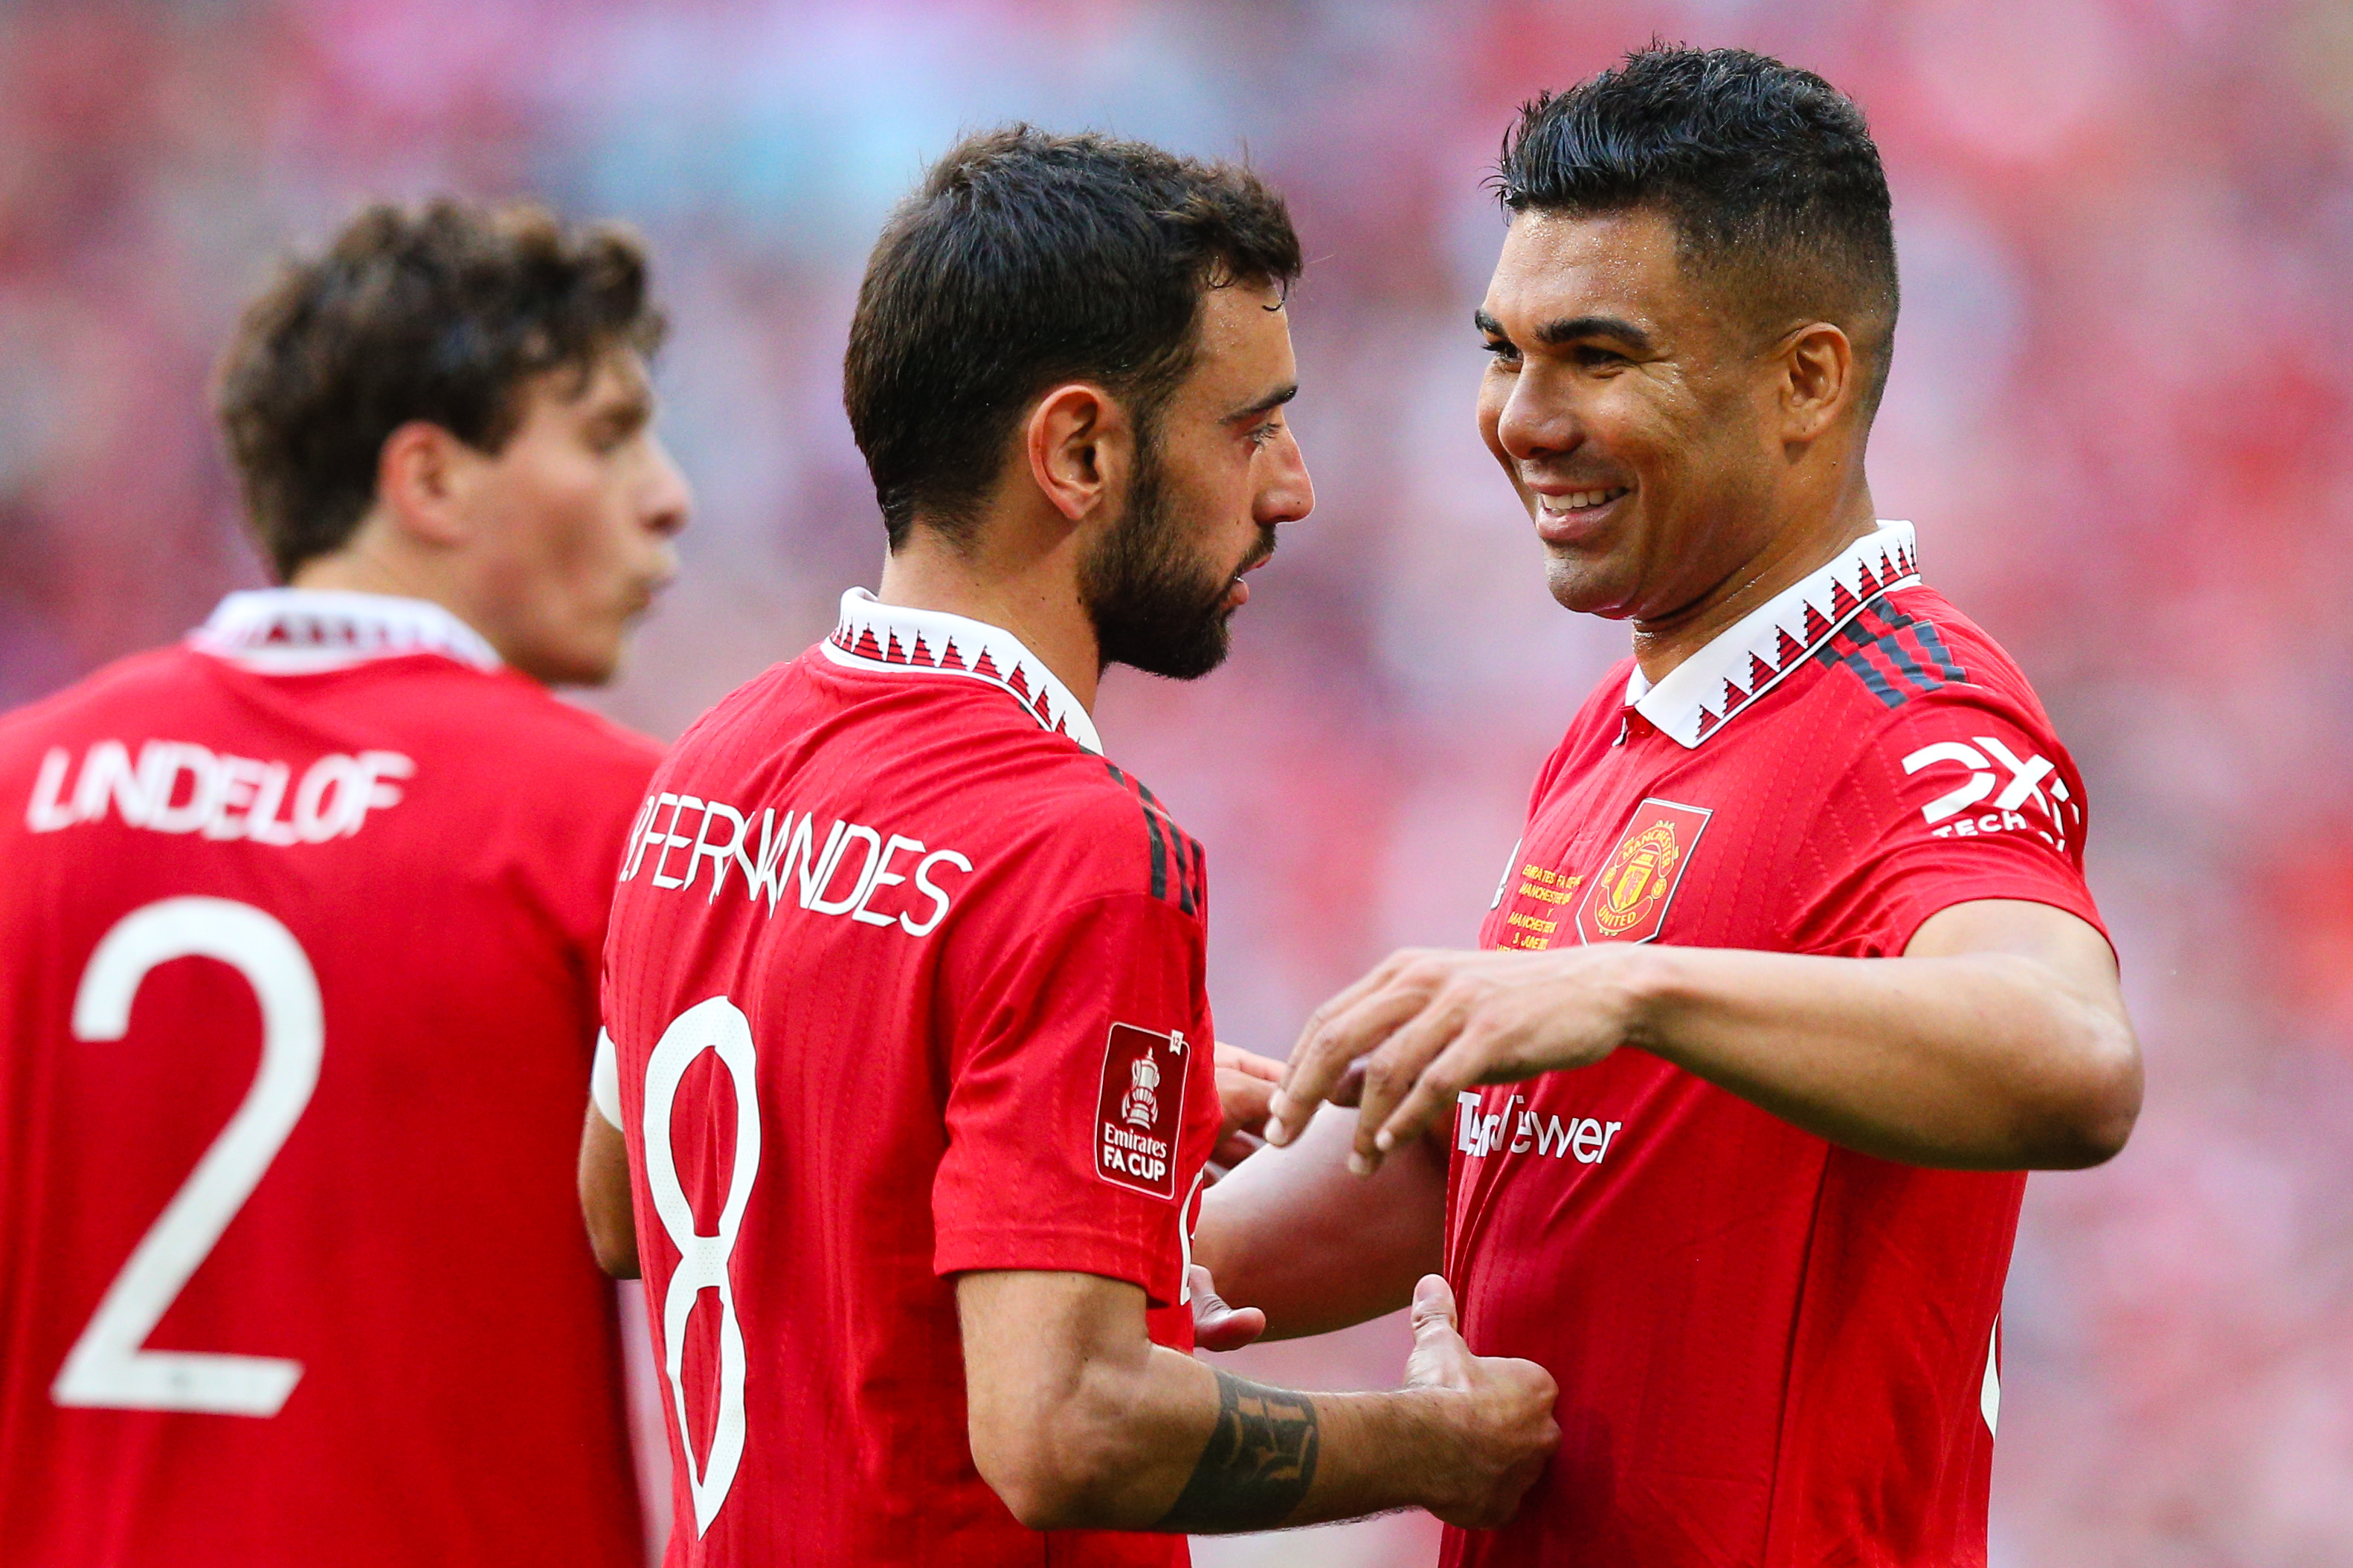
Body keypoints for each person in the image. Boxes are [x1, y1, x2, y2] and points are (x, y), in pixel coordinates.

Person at [1198, 47, 2144, 1567]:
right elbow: (1496, 1167)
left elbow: (2074, 1059)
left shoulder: (1917, 709)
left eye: (1596, 356)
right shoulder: (1622, 724)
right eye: (1502, 350)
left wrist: (1622, 983)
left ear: (1806, 379)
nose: (1521, 417)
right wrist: (1119, 1214)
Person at [582, 126, 1559, 1566]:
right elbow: (1066, 1424)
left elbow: (623, 1204)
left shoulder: (710, 761)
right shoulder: (1082, 847)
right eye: (1249, 427)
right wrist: (1433, 1444)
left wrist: (1056, 1138)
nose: (1288, 488)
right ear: (1079, 449)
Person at [0, 199, 690, 1567]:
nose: (668, 493)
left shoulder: (14, 791)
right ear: (427, 482)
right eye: (608, 436)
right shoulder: (622, 822)